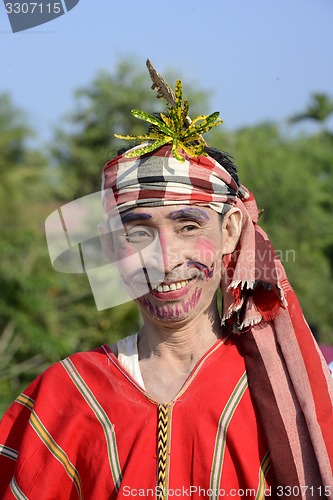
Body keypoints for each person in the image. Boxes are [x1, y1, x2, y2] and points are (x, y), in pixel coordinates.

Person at [0, 64, 332, 500]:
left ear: (230, 230)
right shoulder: (64, 396)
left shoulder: (287, 393)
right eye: (137, 232)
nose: (165, 258)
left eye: (189, 227)